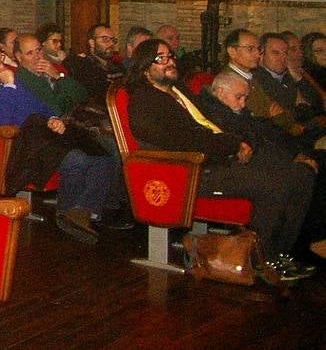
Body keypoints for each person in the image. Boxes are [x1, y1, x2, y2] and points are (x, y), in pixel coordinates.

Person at [126, 38, 314, 277]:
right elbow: (184, 141)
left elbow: (211, 122)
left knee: (300, 174)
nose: (170, 62)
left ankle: (281, 252)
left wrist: (239, 140)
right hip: (192, 171)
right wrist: (232, 144)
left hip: (218, 158)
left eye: (171, 56)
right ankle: (260, 260)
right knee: (274, 184)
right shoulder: (145, 102)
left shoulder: (178, 90)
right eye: (161, 59)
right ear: (144, 68)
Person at [0, 41, 121, 243]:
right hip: (12, 145)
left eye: (1, 60)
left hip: (38, 136)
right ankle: (65, 212)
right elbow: (5, 117)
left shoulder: (7, 79)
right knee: (77, 159)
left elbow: (37, 105)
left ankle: (82, 211)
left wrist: (52, 119)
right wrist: (9, 84)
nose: (2, 66)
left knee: (101, 154)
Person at [14, 33, 90, 117]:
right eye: (29, 53)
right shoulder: (21, 80)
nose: (37, 56)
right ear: (19, 57)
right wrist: (69, 98)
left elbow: (83, 95)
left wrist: (57, 76)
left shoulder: (52, 69)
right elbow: (56, 110)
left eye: (38, 50)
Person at [68, 24, 125, 100]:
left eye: (113, 40)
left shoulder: (119, 67)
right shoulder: (83, 66)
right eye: (105, 39)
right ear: (92, 43)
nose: (111, 44)